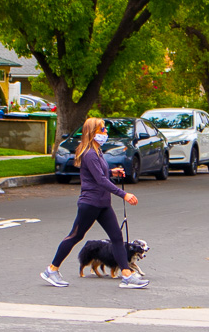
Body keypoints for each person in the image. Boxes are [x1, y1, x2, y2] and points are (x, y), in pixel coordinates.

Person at [40, 117, 149, 289]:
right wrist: (124, 194)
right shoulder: (90, 153)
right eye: (102, 130)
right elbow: (100, 180)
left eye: (104, 129)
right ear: (92, 133)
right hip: (90, 203)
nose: (105, 132)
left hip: (103, 203)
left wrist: (112, 171)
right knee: (75, 236)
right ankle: (51, 269)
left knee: (117, 238)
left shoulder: (97, 151)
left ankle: (127, 275)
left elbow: (100, 173)